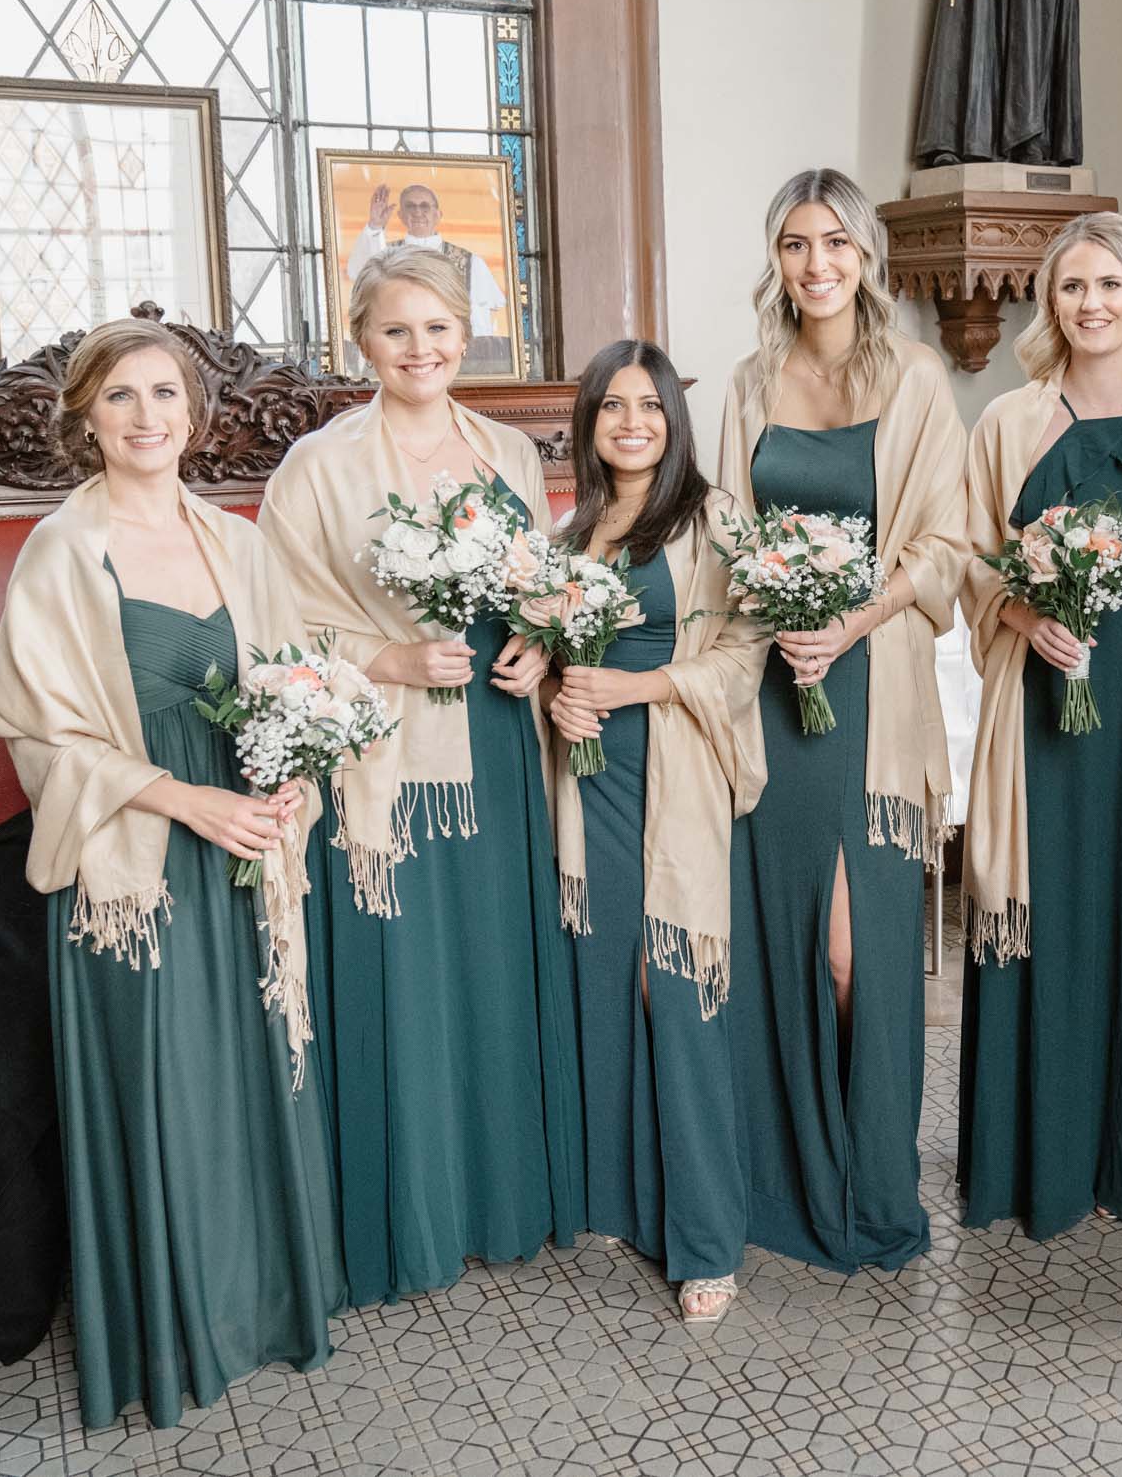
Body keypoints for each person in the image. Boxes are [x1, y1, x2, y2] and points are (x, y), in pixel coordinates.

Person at [0, 317, 342, 1428]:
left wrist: (294, 782)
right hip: (136, 857)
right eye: (123, 397)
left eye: (166, 395)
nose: (148, 416)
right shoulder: (59, 550)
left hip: (244, 842)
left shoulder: (234, 540)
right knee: (166, 1082)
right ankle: (172, 1334)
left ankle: (264, 1311)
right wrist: (186, 800)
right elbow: (33, 729)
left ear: (196, 412)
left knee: (250, 1069)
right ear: (84, 417)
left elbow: (292, 685)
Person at [259, 246, 584, 1303]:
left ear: (466, 333)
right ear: (361, 341)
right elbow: (273, 625)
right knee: (407, 978)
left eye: (440, 327)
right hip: (383, 766)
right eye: (397, 330)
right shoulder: (318, 464)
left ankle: (505, 1200)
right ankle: (411, 1219)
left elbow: (541, 586)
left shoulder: (504, 451)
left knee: (491, 964)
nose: (421, 348)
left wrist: (538, 645)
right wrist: (387, 660)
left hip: (492, 738)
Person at [713, 168, 968, 1273]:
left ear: (866, 256)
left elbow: (948, 541)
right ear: (775, 259)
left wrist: (852, 618)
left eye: (835, 243)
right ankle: (787, 1176)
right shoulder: (748, 378)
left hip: (870, 686)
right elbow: (723, 522)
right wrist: (779, 616)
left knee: (860, 951)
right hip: (772, 683)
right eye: (794, 244)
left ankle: (872, 1183)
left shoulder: (913, 377)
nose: (815, 264)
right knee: (791, 945)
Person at [955, 211, 1122, 1238]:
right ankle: (1038, 1160)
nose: (1090, 304)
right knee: (1047, 907)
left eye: (1108, 285)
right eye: (1070, 287)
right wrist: (1018, 609)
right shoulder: (1006, 422)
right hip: (1040, 704)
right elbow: (967, 552)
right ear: (1047, 302)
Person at [540, 339, 765, 1323]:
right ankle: (633, 1202)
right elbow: (547, 654)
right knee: (604, 982)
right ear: (587, 424)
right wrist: (559, 695)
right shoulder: (571, 527)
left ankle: (707, 1239)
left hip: (673, 770)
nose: (631, 423)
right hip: (589, 783)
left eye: (649, 406)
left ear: (674, 419)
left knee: (675, 987)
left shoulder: (712, 518)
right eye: (610, 408)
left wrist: (639, 685)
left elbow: (743, 646)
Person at [346, 182, 510, 338]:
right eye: (410, 206)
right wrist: (375, 226)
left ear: (438, 215)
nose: (418, 212)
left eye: (425, 206)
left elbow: (480, 322)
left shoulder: (471, 262)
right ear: (401, 215)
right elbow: (358, 275)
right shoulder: (384, 255)